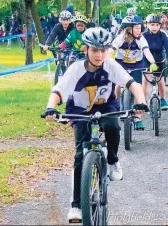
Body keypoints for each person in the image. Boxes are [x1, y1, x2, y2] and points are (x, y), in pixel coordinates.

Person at [42, 27, 148, 222]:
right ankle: (75, 205)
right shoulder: (76, 69)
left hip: (106, 105)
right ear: (86, 50)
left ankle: (113, 160)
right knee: (79, 156)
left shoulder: (111, 65)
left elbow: (132, 83)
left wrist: (140, 101)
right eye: (95, 50)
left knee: (113, 127)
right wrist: (50, 107)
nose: (99, 55)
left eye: (103, 50)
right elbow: (59, 90)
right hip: (79, 109)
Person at [111, 15, 158, 130]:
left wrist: (152, 62)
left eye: (140, 27)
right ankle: (116, 107)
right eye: (136, 28)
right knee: (118, 85)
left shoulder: (140, 39)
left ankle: (138, 118)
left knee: (138, 88)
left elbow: (146, 51)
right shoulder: (119, 39)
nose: (139, 30)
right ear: (128, 29)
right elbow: (111, 51)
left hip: (136, 65)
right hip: (121, 65)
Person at [142, 14, 168, 111]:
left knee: (161, 81)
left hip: (160, 60)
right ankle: (143, 101)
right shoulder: (144, 35)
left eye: (157, 25)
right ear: (147, 25)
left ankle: (163, 99)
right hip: (147, 61)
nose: (155, 27)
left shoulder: (162, 35)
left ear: (160, 25)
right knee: (145, 80)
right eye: (152, 25)